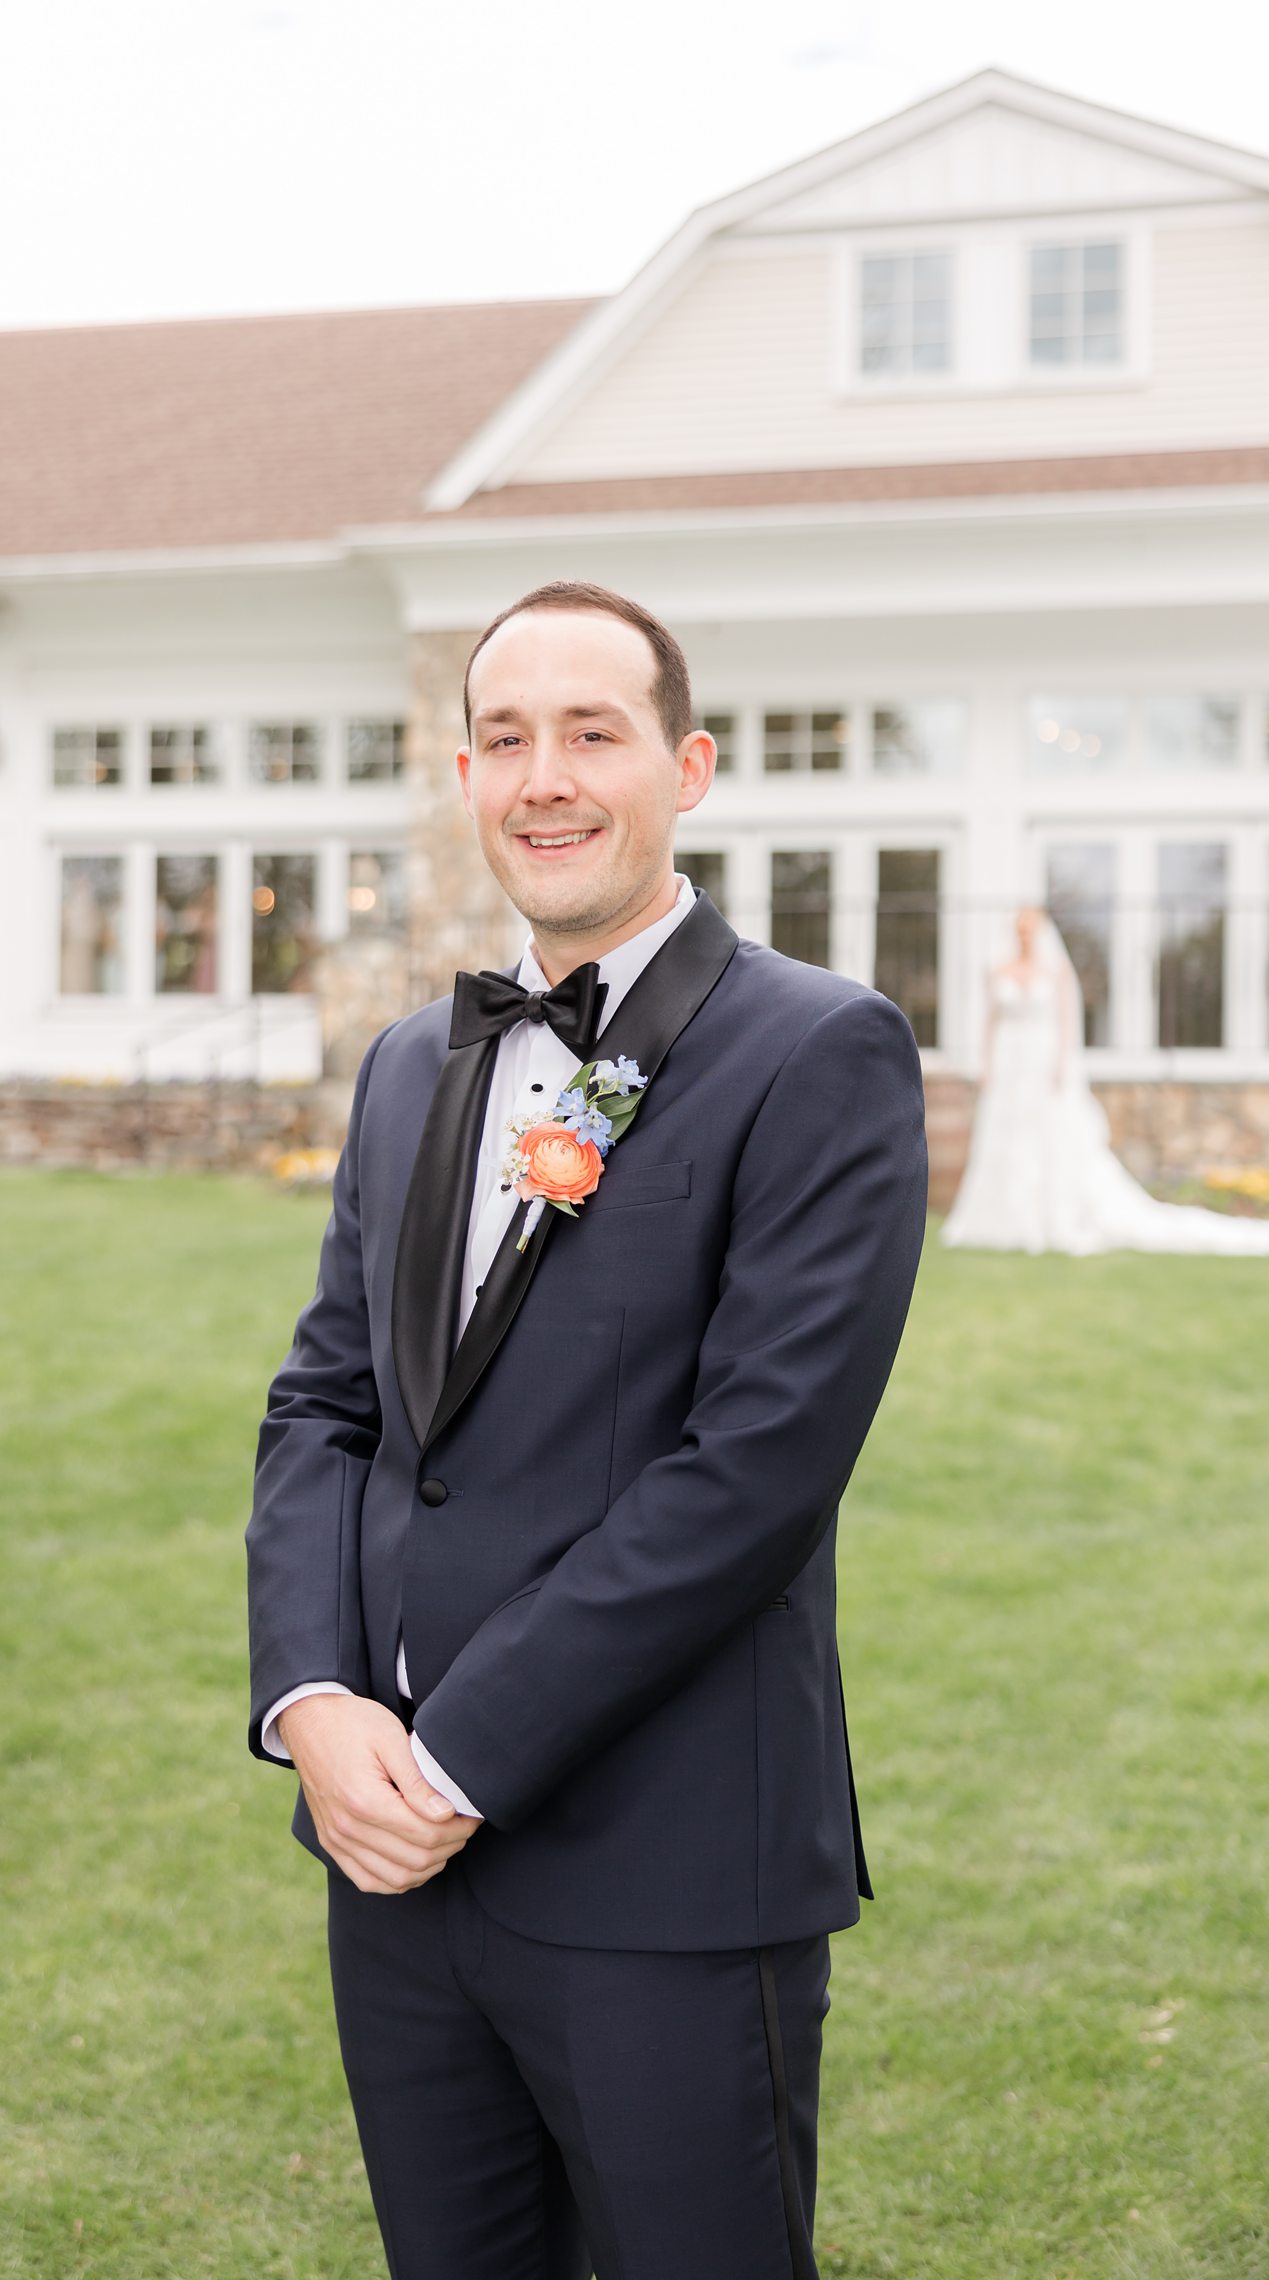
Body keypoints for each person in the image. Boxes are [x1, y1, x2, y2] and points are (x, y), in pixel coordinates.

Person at [245, 581, 929, 2280]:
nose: (544, 776)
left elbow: (753, 1470)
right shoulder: (413, 1064)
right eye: (505, 738)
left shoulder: (819, 1051)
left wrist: (459, 1757)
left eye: (592, 734)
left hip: (668, 1880)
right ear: (465, 774)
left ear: (687, 767)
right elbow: (328, 1406)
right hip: (390, 1866)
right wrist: (317, 1705)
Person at [941, 905, 1269, 1256]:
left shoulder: (1056, 970)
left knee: (1047, 1136)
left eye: (1029, 929)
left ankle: (1048, 1216)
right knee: (1006, 1137)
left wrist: (1061, 1064)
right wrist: (986, 1065)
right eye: (1019, 929)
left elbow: (1068, 1023)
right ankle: (1003, 1219)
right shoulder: (998, 970)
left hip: (1043, 1062)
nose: (1024, 936)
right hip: (1008, 1064)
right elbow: (990, 1022)